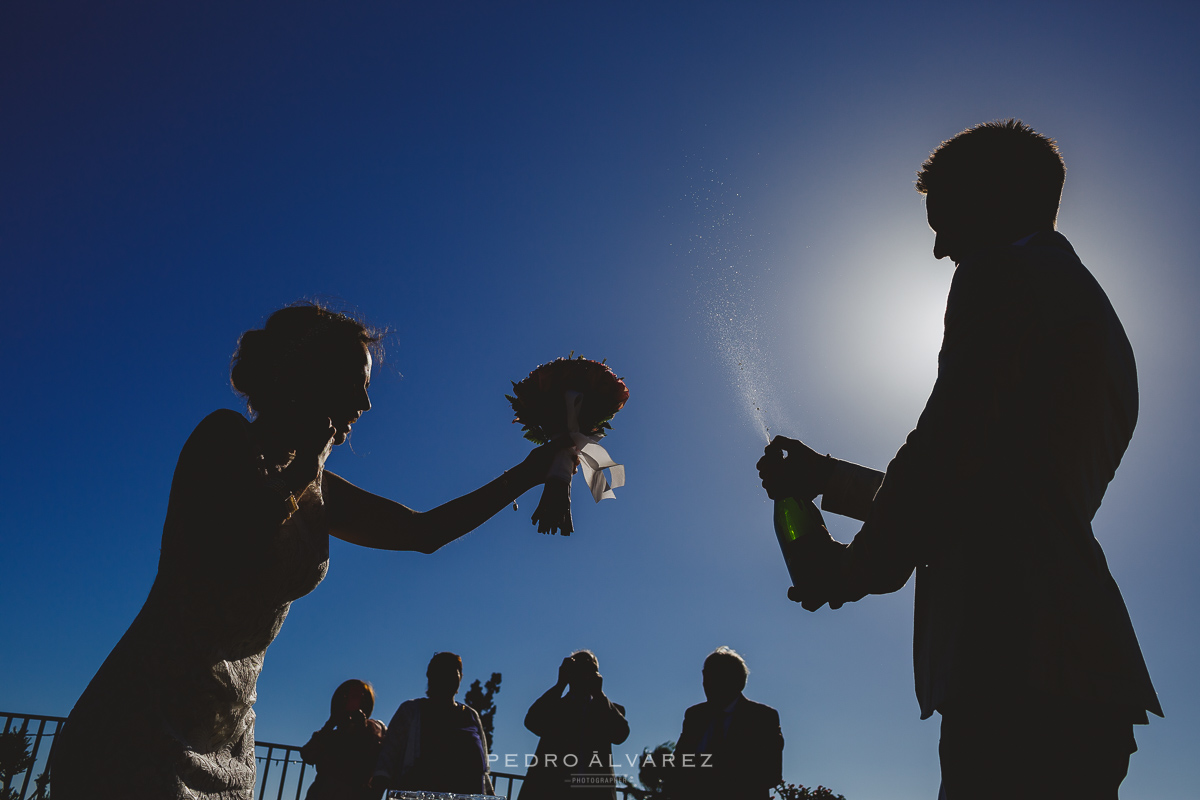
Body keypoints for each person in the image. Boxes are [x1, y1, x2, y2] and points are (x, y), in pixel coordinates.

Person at [757, 120, 1162, 798]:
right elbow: (992, 478)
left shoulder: (1001, 273)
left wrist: (854, 571)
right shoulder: (1089, 311)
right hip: (1081, 659)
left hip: (1014, 654)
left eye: (944, 221)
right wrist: (826, 477)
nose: (941, 248)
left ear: (996, 197)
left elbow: (947, 455)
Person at [52, 303, 571, 800]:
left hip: (227, 738)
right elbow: (237, 545)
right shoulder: (222, 439)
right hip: (144, 717)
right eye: (356, 385)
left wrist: (529, 472)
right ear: (307, 374)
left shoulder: (322, 486)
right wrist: (306, 466)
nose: (366, 405)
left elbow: (422, 532)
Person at [371, 652, 493, 795]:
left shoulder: (470, 715)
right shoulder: (411, 711)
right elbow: (387, 759)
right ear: (430, 676)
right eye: (442, 671)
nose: (448, 676)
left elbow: (483, 771)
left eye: (455, 671)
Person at [672, 647, 783, 800]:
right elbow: (678, 763)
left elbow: (770, 773)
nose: (706, 683)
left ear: (737, 680)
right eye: (705, 675)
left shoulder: (762, 718)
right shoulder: (695, 716)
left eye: (715, 676)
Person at [519, 650, 630, 800]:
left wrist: (599, 694)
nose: (584, 673)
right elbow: (532, 721)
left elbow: (620, 735)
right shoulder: (555, 707)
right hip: (552, 791)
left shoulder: (608, 709)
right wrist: (560, 684)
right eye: (578, 668)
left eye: (589, 668)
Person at [300, 680, 387, 800]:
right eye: (344, 695)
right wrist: (331, 723)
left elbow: (366, 763)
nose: (346, 699)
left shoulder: (373, 731)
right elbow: (307, 755)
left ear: (364, 701)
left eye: (354, 696)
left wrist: (361, 729)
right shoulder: (331, 734)